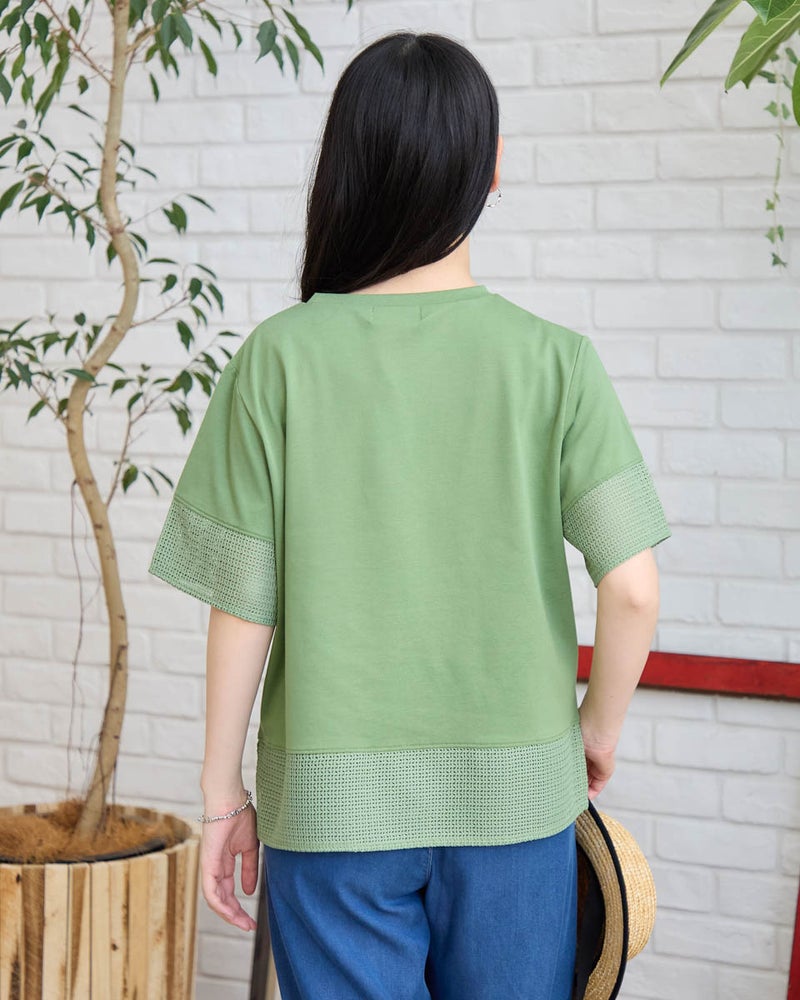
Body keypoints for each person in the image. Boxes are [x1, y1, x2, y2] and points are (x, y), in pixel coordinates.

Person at [148, 30, 670, 1000]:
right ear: (490, 167)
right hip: (518, 801)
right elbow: (632, 587)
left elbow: (243, 606)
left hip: (330, 812)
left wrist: (223, 797)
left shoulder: (277, 360)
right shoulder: (554, 362)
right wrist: (592, 734)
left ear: (347, 164)